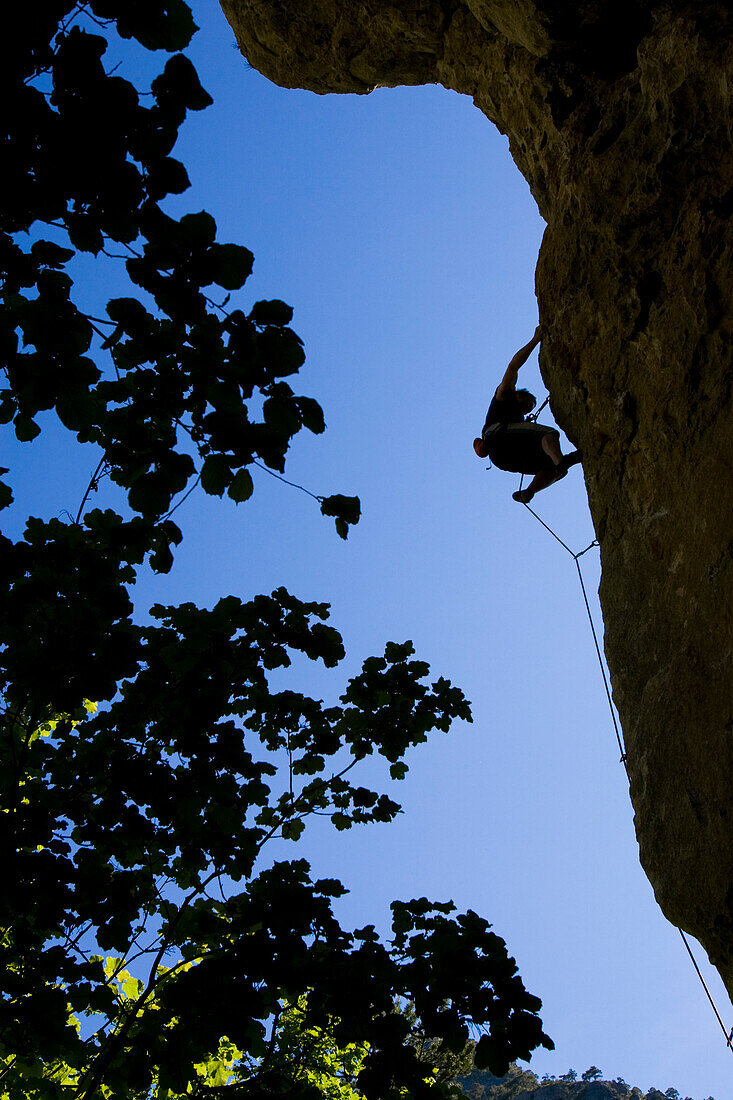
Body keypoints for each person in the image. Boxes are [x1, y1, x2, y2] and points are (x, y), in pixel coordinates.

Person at [472, 324, 582, 503]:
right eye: (528, 403)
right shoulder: (504, 396)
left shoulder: (515, 419)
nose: (529, 408)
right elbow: (513, 367)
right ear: (518, 394)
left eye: (530, 407)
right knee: (549, 434)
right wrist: (535, 340)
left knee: (551, 468)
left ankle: (529, 491)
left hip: (502, 459)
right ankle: (562, 462)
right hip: (499, 437)